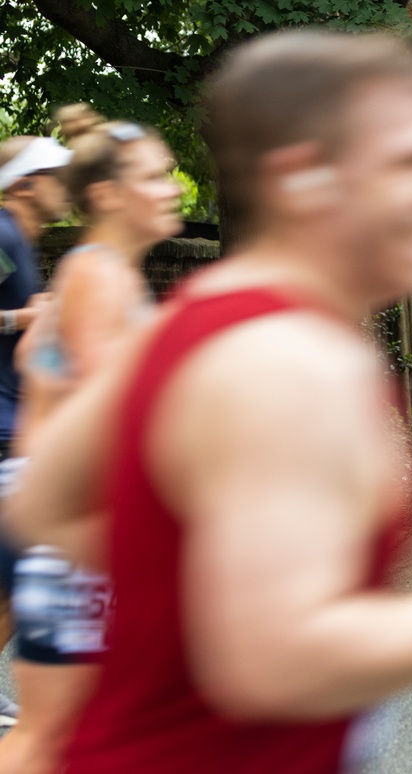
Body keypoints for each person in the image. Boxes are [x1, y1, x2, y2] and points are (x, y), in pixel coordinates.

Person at [6, 30, 412, 773]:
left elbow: (42, 502)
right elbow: (271, 664)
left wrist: (189, 585)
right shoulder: (294, 362)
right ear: (304, 178)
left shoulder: (200, 311)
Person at [0, 114, 183, 774]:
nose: (172, 190)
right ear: (106, 194)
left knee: (79, 735)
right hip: (78, 539)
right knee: (52, 737)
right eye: (154, 177)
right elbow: (117, 414)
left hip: (76, 530)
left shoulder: (103, 274)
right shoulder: (99, 274)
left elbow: (34, 361)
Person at [0, 134, 73, 727]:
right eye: (56, 175)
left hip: (16, 425)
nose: (66, 187)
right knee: (22, 564)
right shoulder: (1, 232)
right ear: (26, 183)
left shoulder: (20, 241)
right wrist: (25, 316)